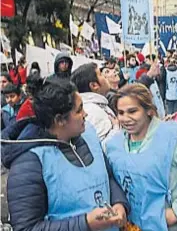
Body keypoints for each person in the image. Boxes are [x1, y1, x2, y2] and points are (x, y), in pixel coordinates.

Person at [1, 77, 129, 231]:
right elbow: (27, 227)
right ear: (60, 120)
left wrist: (119, 203)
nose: (85, 114)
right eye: (79, 110)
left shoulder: (88, 132)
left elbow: (107, 176)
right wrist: (85, 223)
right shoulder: (28, 164)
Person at [106, 83, 177, 231]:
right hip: (131, 226)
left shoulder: (174, 137)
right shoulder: (113, 144)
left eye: (132, 111)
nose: (125, 118)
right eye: (121, 112)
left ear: (149, 111)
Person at [71, 63, 120, 149]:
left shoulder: (97, 106)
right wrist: (116, 129)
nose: (105, 77)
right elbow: (101, 150)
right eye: (100, 74)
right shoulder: (93, 112)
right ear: (94, 85)